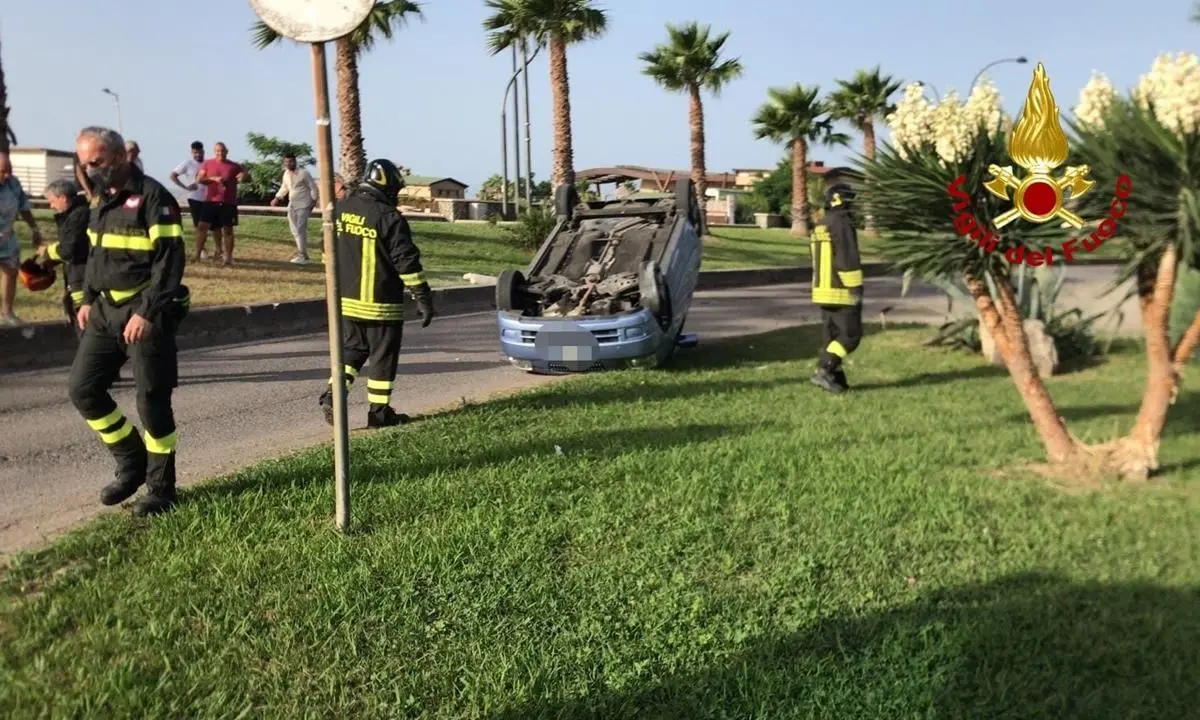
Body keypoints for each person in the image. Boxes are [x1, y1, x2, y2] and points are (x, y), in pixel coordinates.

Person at [67, 126, 189, 517]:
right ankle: (131, 461)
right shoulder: (101, 199)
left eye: (96, 162)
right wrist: (87, 300)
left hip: (144, 314)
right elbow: (95, 255)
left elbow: (170, 262)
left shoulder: (155, 198)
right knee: (83, 388)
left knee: (152, 401)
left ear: (120, 157)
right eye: (84, 163)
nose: (89, 170)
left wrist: (147, 312)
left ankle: (161, 489)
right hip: (104, 312)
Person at [318, 158, 435, 428]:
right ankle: (379, 414)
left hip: (344, 302)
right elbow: (406, 262)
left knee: (352, 351)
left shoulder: (341, 209)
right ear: (387, 186)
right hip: (380, 304)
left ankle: (334, 396)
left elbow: (326, 252)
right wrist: (423, 298)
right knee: (382, 357)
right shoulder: (389, 217)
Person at [809, 180, 864, 395]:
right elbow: (847, 258)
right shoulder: (842, 223)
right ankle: (824, 368)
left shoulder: (822, 223)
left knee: (832, 336)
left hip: (823, 290)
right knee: (850, 336)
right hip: (842, 290)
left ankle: (836, 379)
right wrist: (856, 289)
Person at [38, 178, 92, 334]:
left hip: (82, 280)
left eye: (52, 201)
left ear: (63, 198)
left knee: (85, 329)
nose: (51, 205)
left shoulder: (79, 216)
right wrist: (52, 262)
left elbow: (69, 249)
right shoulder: (72, 215)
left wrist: (47, 252)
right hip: (75, 278)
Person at [0, 153, 46, 325]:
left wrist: (34, 229)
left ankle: (7, 312)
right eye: (3, 172)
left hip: (7, 237)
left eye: (9, 170)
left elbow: (24, 208)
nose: (8, 175)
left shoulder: (13, 184)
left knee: (11, 272)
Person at [195, 141, 248, 266]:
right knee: (202, 227)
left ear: (227, 151)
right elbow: (199, 180)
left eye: (222, 150)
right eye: (218, 151)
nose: (220, 153)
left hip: (228, 202)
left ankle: (228, 258)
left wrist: (245, 172)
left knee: (228, 230)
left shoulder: (234, 166)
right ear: (215, 152)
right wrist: (213, 179)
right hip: (211, 201)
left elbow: (244, 178)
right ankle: (197, 255)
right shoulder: (208, 163)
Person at [269, 152, 317, 264]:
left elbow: (313, 187)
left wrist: (314, 201)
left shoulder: (304, 173)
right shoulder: (286, 174)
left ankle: (302, 255)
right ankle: (303, 253)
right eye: (286, 162)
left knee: (300, 229)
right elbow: (284, 187)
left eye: (290, 161)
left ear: (295, 162)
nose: (288, 164)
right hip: (292, 204)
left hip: (304, 204)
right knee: (294, 230)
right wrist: (277, 198)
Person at [169, 141, 210, 261]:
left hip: (208, 198)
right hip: (194, 197)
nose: (198, 154)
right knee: (198, 225)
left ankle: (205, 248)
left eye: (200, 152)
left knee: (207, 225)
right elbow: (172, 175)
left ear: (203, 151)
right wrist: (185, 187)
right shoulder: (187, 163)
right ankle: (202, 249)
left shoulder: (208, 163)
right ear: (192, 152)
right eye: (195, 152)